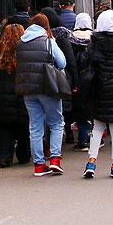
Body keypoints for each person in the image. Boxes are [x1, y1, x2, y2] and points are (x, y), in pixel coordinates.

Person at [15, 13, 67, 176]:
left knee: (35, 126)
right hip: (47, 87)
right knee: (56, 123)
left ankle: (38, 165)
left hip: (28, 89)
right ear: (46, 26)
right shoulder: (48, 41)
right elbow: (62, 63)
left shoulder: (20, 43)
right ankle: (54, 160)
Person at [83, 10, 113, 179]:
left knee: (97, 127)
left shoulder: (95, 42)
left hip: (100, 87)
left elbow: (84, 60)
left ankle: (92, 162)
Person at [0, 24, 31, 168]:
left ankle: (5, 158)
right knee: (23, 126)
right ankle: (23, 156)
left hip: (1, 93)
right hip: (20, 92)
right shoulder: (25, 49)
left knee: (4, 128)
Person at [41, 8, 79, 144]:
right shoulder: (63, 36)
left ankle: (48, 141)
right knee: (63, 107)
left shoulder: (39, 38)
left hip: (45, 78)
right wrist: (75, 81)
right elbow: (70, 61)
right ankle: (68, 133)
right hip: (63, 77)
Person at [70, 12, 94, 151]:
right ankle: (98, 138)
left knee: (80, 111)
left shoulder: (71, 37)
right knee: (94, 109)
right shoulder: (95, 37)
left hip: (79, 79)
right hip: (93, 78)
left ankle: (82, 140)